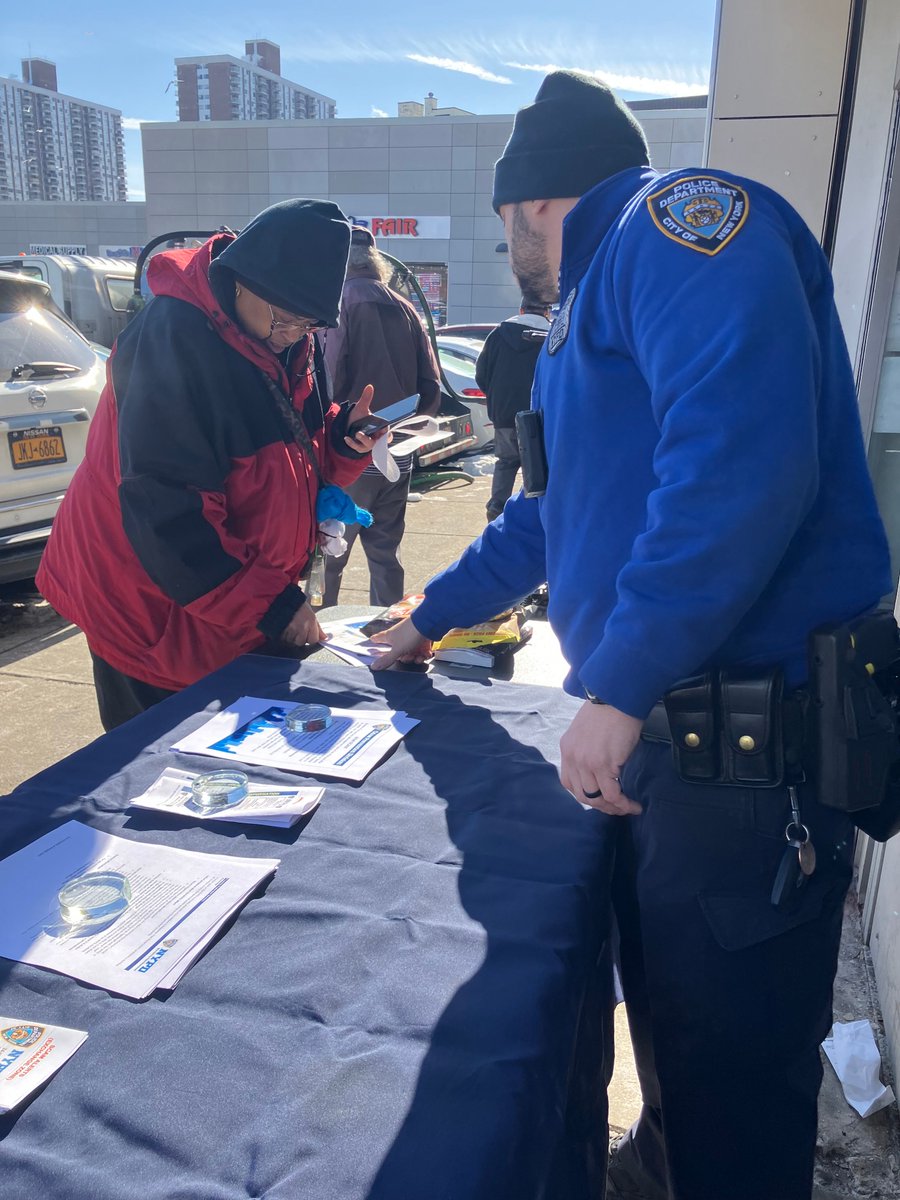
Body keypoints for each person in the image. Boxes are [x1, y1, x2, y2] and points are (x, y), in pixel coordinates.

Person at [372, 71, 891, 1200]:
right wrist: (427, 618)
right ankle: (664, 1166)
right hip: (676, 750)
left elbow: (740, 463)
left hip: (741, 759)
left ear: (530, 204)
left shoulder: (677, 224)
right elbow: (555, 515)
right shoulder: (592, 300)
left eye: (504, 221)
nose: (506, 243)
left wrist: (618, 686)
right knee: (675, 1029)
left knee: (736, 1071)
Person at [37, 199, 382, 731]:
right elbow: (168, 510)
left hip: (228, 600)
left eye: (308, 325)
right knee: (159, 775)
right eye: (285, 319)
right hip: (151, 603)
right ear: (241, 280)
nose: (293, 334)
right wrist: (272, 607)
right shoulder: (172, 339)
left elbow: (294, 446)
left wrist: (343, 443)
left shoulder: (286, 333)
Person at [321, 225, 441, 607]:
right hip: (399, 451)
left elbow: (328, 376)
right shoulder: (404, 306)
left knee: (331, 547)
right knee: (387, 554)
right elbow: (432, 384)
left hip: (351, 451)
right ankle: (387, 634)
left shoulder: (339, 303)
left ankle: (321, 628)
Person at [475, 299, 551, 521]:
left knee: (506, 462)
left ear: (521, 310)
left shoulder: (498, 334)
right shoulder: (550, 336)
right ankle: (534, 512)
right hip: (540, 414)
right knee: (538, 465)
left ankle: (496, 507)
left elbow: (482, 373)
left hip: (505, 412)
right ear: (547, 312)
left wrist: (497, 398)